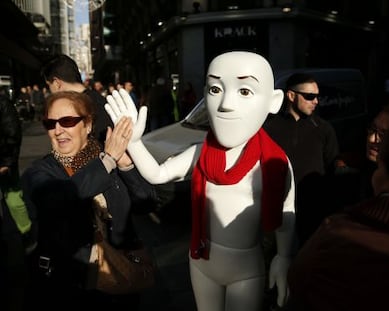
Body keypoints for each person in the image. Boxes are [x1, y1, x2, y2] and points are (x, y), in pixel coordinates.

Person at [106, 51, 296, 310]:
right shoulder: (201, 152)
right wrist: (135, 142)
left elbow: (286, 213)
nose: (226, 103)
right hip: (201, 261)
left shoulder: (275, 163)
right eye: (216, 88)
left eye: (244, 91)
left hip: (246, 270)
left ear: (273, 102)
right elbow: (158, 175)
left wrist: (283, 257)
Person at [21, 91, 156, 309]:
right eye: (51, 123)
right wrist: (108, 161)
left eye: (67, 121)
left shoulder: (109, 159)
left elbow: (147, 203)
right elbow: (58, 199)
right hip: (71, 289)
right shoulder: (40, 173)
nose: (58, 130)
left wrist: (126, 165)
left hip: (122, 280)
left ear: (88, 125)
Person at [287, 111, 389, 311]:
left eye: (384, 135)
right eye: (372, 130)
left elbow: (300, 278)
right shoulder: (345, 176)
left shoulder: (340, 233)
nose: (373, 139)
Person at [263, 72, 339, 248]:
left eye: (317, 96)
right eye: (310, 96)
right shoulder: (269, 129)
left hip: (313, 213)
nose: (316, 101)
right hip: (277, 212)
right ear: (291, 96)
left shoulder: (323, 129)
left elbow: (331, 171)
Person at [0, 88, 31, 311]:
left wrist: (7, 161)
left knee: (14, 198)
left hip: (3, 161)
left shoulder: (3, 103)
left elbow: (12, 132)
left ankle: (26, 232)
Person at [40, 54, 113, 146]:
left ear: (56, 83)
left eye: (49, 86)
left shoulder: (87, 106)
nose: (57, 132)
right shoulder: (97, 100)